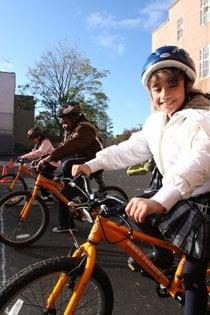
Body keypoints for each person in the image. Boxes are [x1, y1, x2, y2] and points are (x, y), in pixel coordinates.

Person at [72, 46, 210, 315]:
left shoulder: (201, 118)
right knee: (134, 208)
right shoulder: (156, 122)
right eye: (157, 89)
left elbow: (198, 162)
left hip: (203, 197)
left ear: (186, 85)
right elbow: (128, 149)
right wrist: (92, 164)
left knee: (192, 277)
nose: (164, 95)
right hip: (176, 192)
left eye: (172, 86)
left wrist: (161, 200)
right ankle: (165, 258)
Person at [38, 101, 103, 232]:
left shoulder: (84, 129)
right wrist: (43, 158)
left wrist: (50, 158)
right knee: (62, 190)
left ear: (73, 118)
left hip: (95, 162)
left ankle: (80, 198)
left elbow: (71, 146)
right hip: (84, 162)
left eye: (65, 121)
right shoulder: (72, 131)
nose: (63, 124)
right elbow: (62, 147)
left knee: (68, 165)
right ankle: (67, 225)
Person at [20, 127, 58, 201]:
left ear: (39, 136)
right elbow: (33, 152)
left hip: (52, 162)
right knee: (40, 179)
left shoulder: (45, 142)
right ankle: (47, 193)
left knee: (42, 177)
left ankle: (56, 181)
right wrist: (24, 156)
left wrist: (25, 157)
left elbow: (40, 152)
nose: (33, 141)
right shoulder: (38, 144)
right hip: (44, 162)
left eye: (33, 139)